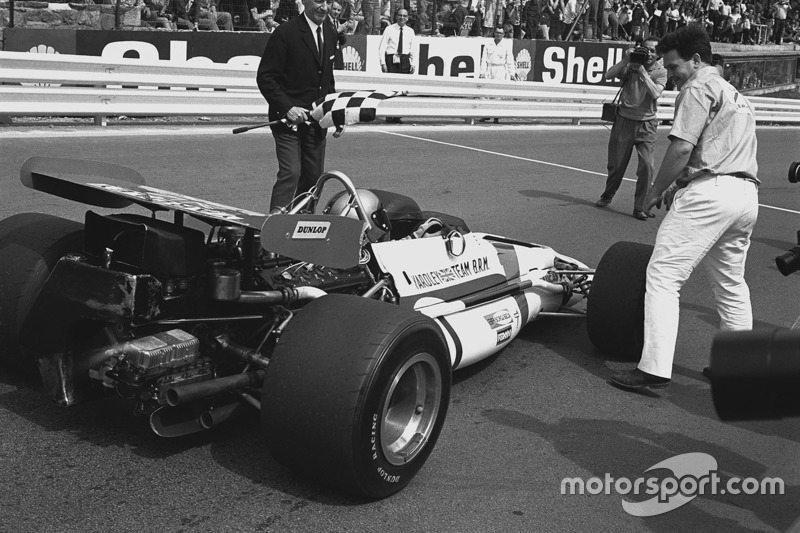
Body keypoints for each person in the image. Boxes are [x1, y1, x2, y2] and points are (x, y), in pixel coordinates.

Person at [610, 23, 759, 390]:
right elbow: (716, 149)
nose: (673, 76)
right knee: (731, 284)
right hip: (745, 196)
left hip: (711, 194)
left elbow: (680, 147)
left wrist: (652, 191)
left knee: (662, 276)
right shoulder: (735, 93)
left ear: (695, 60)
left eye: (674, 68)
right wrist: (678, 183)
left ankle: (654, 368)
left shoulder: (697, 86)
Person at [256, 0, 337, 212]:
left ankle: (303, 228)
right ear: (305, 2)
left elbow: (328, 80)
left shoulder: (330, 32)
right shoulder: (285, 33)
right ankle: (274, 228)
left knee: (313, 178)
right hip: (286, 121)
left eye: (328, 2)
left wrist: (336, 113)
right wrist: (288, 108)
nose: (324, 7)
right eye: (319, 1)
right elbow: (266, 78)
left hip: (317, 123)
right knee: (291, 173)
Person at [595, 36, 667, 220]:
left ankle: (640, 207)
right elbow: (608, 75)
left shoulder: (660, 71)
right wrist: (627, 60)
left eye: (652, 51)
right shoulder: (631, 64)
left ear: (659, 55)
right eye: (645, 49)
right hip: (624, 120)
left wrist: (642, 71)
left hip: (647, 124)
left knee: (647, 167)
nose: (648, 53)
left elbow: (655, 93)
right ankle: (608, 194)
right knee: (616, 165)